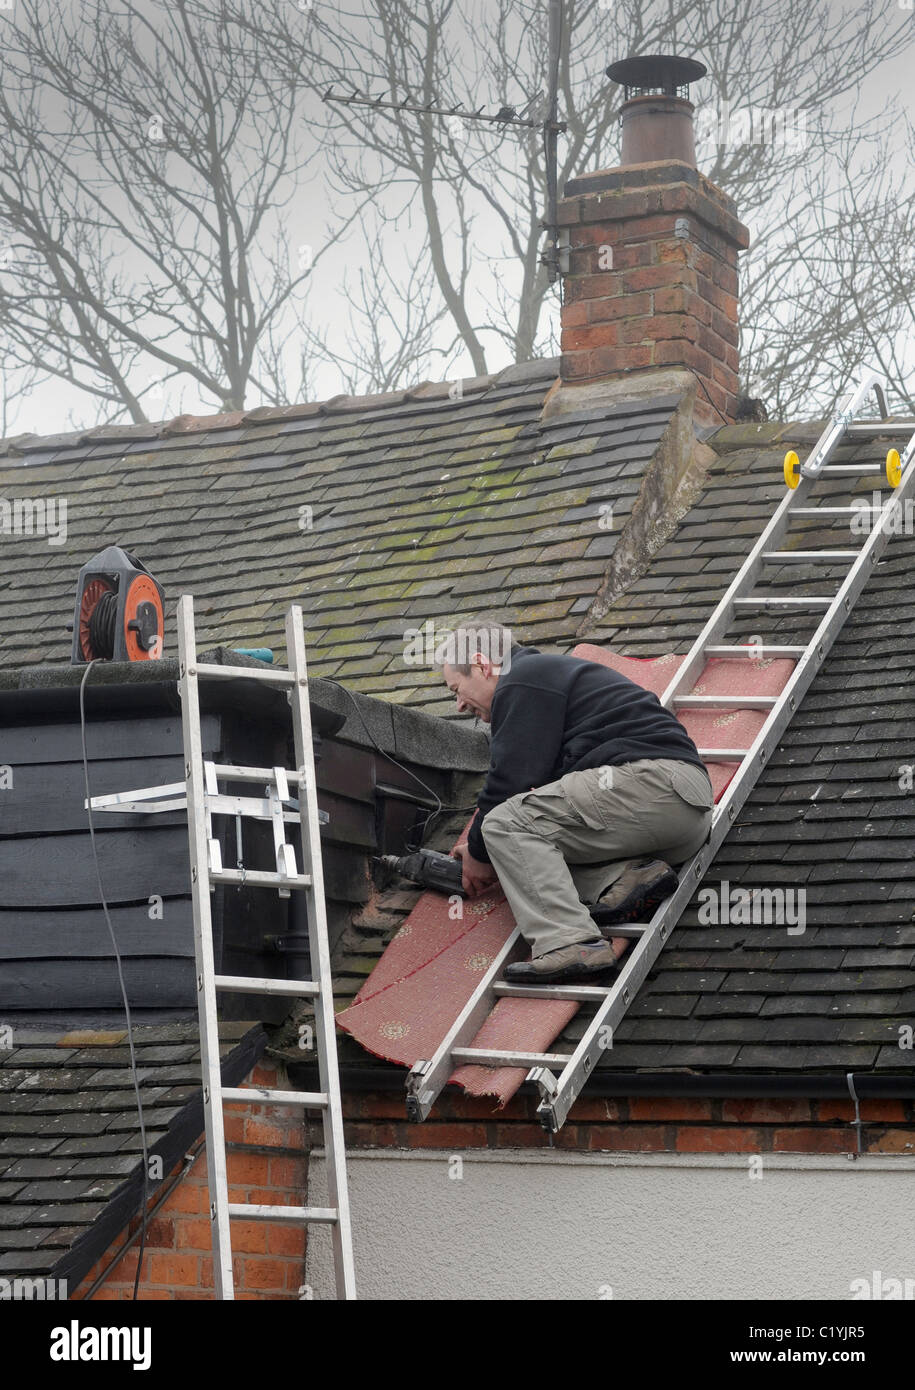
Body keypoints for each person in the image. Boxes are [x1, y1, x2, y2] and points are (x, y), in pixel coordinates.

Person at [436, 617, 714, 983]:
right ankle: (625, 878)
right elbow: (540, 804)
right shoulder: (547, 678)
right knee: (527, 847)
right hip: (680, 815)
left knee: (502, 824)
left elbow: (511, 779)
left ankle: (571, 944)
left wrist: (478, 850)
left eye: (457, 688)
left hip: (652, 786)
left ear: (481, 664)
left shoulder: (523, 676)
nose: (458, 705)